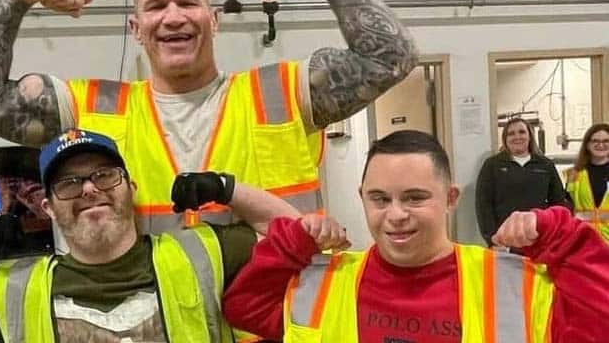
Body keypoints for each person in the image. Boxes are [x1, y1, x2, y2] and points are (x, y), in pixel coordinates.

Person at [0, 0, 418, 234]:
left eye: (188, 3)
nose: (173, 16)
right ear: (136, 28)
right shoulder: (91, 109)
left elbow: (392, 56)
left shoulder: (285, 92)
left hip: (281, 326)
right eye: (155, 6)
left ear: (214, 20)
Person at [0, 128, 317, 342]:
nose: (89, 189)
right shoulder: (15, 291)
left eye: (104, 175)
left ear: (130, 189)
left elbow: (293, 236)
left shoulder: (203, 254)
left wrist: (227, 189)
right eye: (69, 183)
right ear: (48, 208)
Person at [222, 130, 609, 342]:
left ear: (450, 198)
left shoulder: (509, 283)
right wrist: (292, 242)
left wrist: (562, 237)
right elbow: (244, 308)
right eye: (379, 199)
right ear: (362, 197)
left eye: (414, 198)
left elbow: (599, 323)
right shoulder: (323, 282)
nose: (395, 216)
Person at [475, 117, 567, 247]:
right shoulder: (493, 165)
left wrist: (555, 235)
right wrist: (492, 238)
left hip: (539, 239)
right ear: (505, 139)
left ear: (530, 136)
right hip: (505, 240)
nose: (517, 137)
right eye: (511, 133)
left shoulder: (545, 165)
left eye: (522, 132)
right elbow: (483, 204)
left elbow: (558, 202)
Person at [566, 123, 609, 242]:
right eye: (595, 141)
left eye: (606, 141)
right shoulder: (573, 174)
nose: (600, 145)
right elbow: (567, 206)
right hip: (583, 240)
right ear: (587, 145)